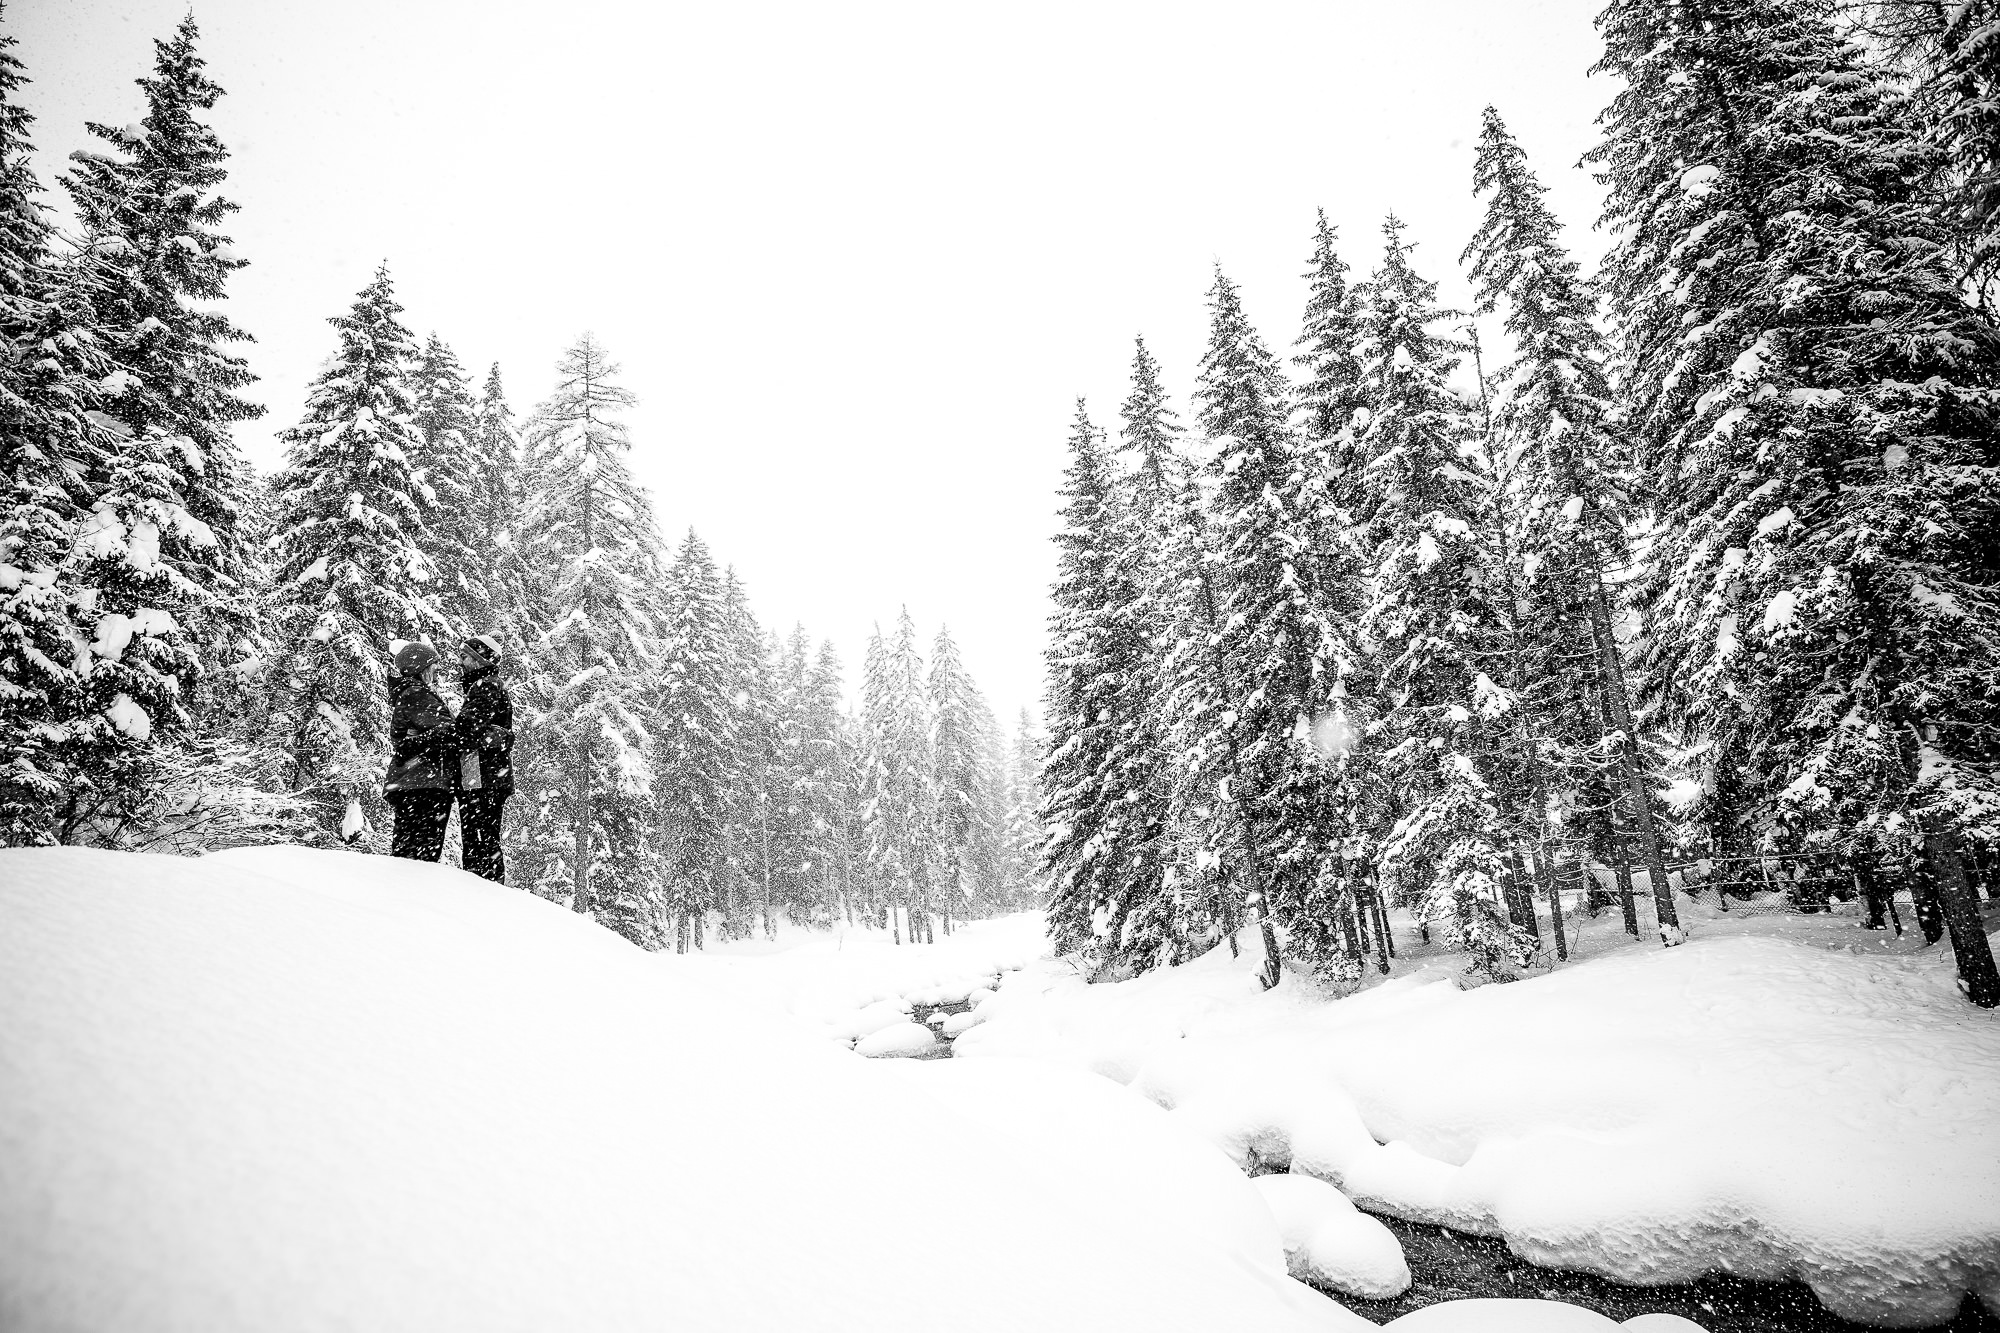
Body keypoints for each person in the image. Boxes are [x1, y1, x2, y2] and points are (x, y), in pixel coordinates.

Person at [384, 641, 458, 861]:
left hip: (412, 782)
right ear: (421, 667)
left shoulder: (411, 693)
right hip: (422, 782)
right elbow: (446, 732)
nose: (437, 671)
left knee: (408, 851)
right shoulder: (417, 694)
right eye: (434, 665)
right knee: (421, 855)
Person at [452, 634, 514, 883]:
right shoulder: (487, 685)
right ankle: (486, 888)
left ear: (479, 659)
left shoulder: (485, 685)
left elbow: (466, 728)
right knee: (485, 838)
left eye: (465, 656)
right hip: (484, 775)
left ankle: (483, 891)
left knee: (479, 839)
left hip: (482, 776)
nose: (460, 662)